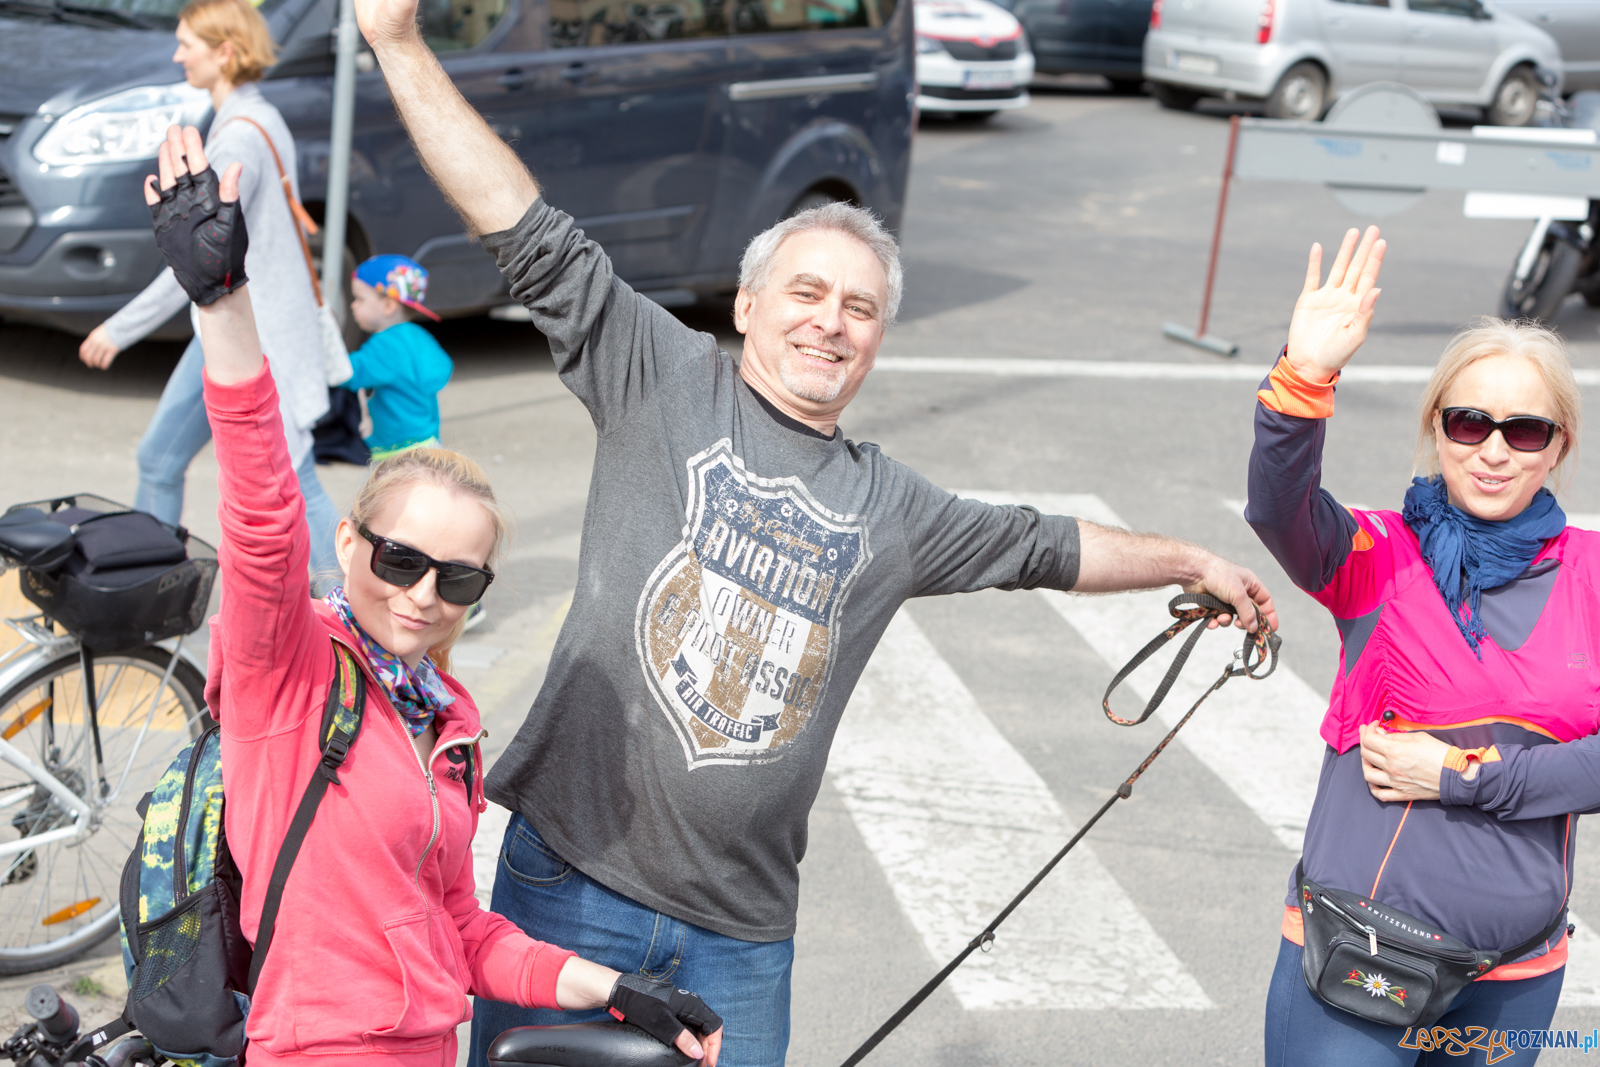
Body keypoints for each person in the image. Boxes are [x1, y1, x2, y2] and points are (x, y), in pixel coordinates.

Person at [351, 1, 1279, 1060]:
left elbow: (1044, 544)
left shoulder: (894, 506)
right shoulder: (659, 374)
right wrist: (399, 43)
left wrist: (1191, 558)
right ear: (747, 305)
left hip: (739, 932)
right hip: (571, 888)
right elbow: (520, 222)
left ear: (877, 340)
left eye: (857, 306)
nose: (827, 320)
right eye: (805, 291)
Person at [143, 125, 725, 1067]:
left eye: (458, 578)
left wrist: (615, 988)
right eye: (399, 560)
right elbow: (259, 518)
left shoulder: (444, 720)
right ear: (351, 541)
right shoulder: (289, 673)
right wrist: (223, 302)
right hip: (317, 1047)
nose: (421, 596)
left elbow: (459, 930)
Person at [1247, 227, 1594, 1066]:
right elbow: (1279, 509)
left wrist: (1460, 778)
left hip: (1515, 975)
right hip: (1358, 960)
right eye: (1470, 421)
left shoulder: (1593, 573)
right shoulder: (1378, 554)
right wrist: (1306, 375)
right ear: (1437, 426)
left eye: (1525, 430)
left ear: (1559, 447)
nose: (1494, 449)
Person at [79, 0, 337, 577]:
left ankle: (347, 622)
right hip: (241, 327)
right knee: (166, 460)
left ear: (224, 52)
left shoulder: (236, 139)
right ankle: (153, 585)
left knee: (291, 476)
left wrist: (117, 329)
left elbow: (198, 263)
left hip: (247, 331)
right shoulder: (260, 117)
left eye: (186, 44)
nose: (177, 55)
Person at [340, 254, 454, 462]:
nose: (352, 305)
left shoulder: (385, 345)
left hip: (395, 451)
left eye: (359, 299)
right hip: (428, 442)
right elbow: (443, 368)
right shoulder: (419, 336)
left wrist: (327, 357)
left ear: (388, 306)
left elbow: (349, 373)